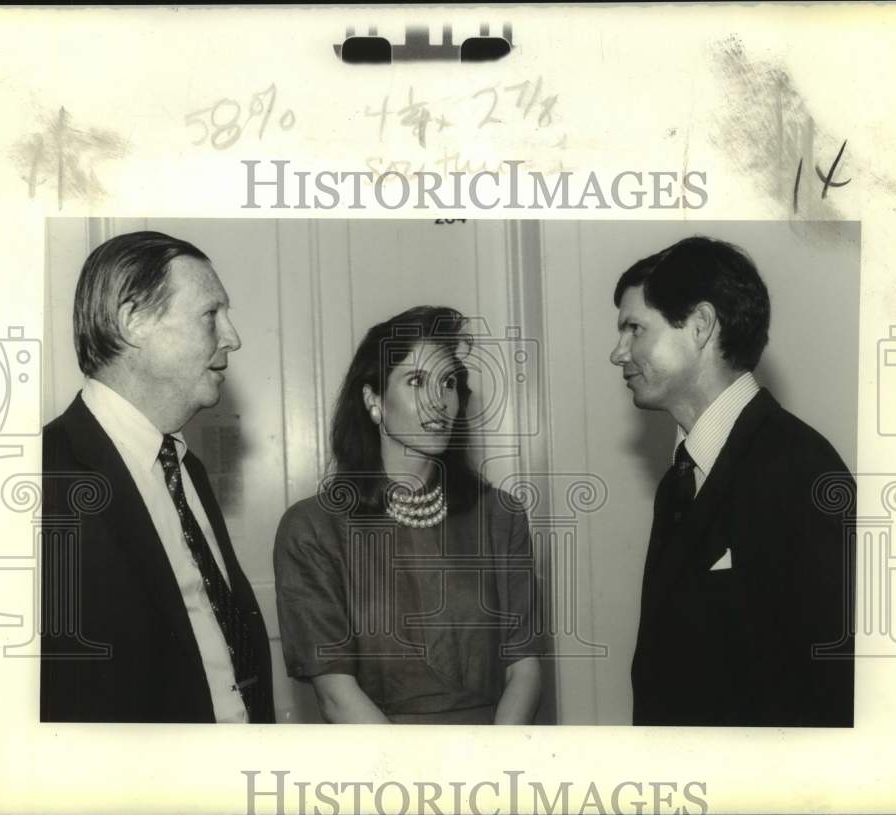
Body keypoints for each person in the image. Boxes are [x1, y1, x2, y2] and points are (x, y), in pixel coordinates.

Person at [610, 236, 854, 727]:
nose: (618, 353)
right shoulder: (679, 478)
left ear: (699, 326)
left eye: (634, 329)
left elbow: (832, 690)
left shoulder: (803, 469)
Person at [40, 231, 275, 723]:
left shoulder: (185, 468)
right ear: (132, 322)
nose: (232, 337)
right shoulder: (43, 477)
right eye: (211, 315)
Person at [274, 306, 541, 724]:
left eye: (448, 383)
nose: (439, 401)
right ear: (374, 400)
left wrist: (493, 775)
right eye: (416, 381)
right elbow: (336, 695)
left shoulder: (502, 516)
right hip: (383, 770)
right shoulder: (313, 528)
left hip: (495, 762)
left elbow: (523, 669)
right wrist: (419, 786)